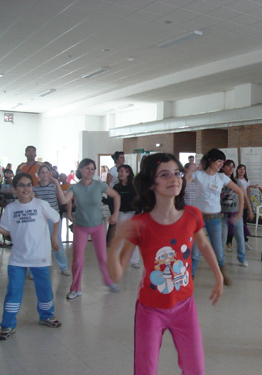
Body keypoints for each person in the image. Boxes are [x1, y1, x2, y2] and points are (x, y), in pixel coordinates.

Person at [107, 152, 223, 375]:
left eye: (177, 173)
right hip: (150, 311)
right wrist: (114, 244)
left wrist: (218, 275)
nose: (175, 178)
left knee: (196, 369)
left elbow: (205, 246)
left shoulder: (192, 215)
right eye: (165, 174)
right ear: (151, 183)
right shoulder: (139, 223)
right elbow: (116, 275)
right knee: (145, 370)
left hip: (185, 307)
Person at [0, 173, 62, 340]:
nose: (25, 188)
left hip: (40, 256)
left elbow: (56, 219)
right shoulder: (11, 208)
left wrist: (54, 237)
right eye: (21, 185)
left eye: (28, 185)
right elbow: (7, 232)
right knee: (13, 291)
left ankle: (46, 316)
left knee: (44, 289)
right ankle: (7, 324)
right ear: (15, 189)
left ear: (32, 187)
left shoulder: (41, 205)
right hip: (17, 259)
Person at [54, 158, 121, 299]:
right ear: (80, 170)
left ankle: (108, 281)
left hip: (97, 226)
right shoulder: (74, 188)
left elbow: (116, 196)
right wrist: (56, 183)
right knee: (78, 259)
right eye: (87, 168)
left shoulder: (99, 185)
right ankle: (76, 288)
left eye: (92, 169)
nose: (90, 171)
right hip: (81, 227)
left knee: (102, 257)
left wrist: (115, 214)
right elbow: (64, 200)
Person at [186, 148, 244, 285]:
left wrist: (240, 213)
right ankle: (190, 277)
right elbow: (183, 185)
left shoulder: (221, 177)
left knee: (218, 251)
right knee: (194, 252)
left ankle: (222, 273)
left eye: (222, 162)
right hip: (197, 219)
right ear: (211, 160)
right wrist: (190, 171)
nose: (221, 165)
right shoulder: (199, 175)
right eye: (219, 161)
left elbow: (240, 192)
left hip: (215, 220)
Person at [32, 164, 70, 276]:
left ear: (50, 174)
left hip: (53, 218)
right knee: (38, 243)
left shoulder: (54, 186)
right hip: (40, 218)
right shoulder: (35, 188)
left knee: (56, 240)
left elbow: (63, 199)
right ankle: (34, 268)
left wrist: (56, 182)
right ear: (38, 175)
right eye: (42, 172)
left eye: (46, 172)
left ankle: (63, 266)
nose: (44, 174)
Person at [220, 160, 252, 267]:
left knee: (240, 238)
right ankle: (220, 260)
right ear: (223, 167)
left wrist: (243, 211)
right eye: (228, 166)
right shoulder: (218, 180)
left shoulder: (236, 181)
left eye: (232, 167)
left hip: (236, 213)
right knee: (222, 239)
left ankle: (242, 258)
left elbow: (242, 196)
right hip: (223, 215)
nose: (230, 168)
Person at [112, 164, 140, 268]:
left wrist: (138, 213)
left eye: (122, 171)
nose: (120, 174)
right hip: (121, 214)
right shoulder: (117, 186)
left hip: (132, 214)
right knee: (120, 236)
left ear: (128, 173)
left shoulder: (134, 186)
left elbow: (139, 200)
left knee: (133, 237)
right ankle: (120, 258)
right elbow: (113, 200)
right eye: (119, 172)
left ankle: (134, 260)